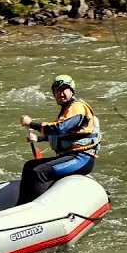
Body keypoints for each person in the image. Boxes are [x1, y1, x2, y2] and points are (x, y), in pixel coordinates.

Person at [16, 74, 101, 205]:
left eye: (63, 90)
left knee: (40, 172)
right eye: (57, 91)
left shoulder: (77, 107)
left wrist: (31, 124)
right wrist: (38, 138)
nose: (60, 94)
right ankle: (22, 206)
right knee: (29, 166)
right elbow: (65, 134)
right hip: (70, 156)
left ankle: (37, 210)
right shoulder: (68, 109)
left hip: (81, 158)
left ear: (72, 91)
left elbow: (60, 128)